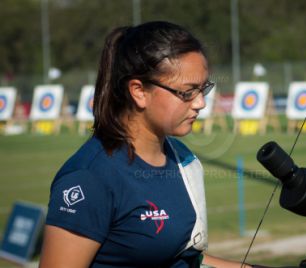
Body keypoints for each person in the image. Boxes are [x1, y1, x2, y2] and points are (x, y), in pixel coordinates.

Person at [39, 21, 257, 268]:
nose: (200, 103)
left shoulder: (180, 157)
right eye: (187, 92)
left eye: (203, 89)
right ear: (139, 91)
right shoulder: (90, 177)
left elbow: (182, 257)